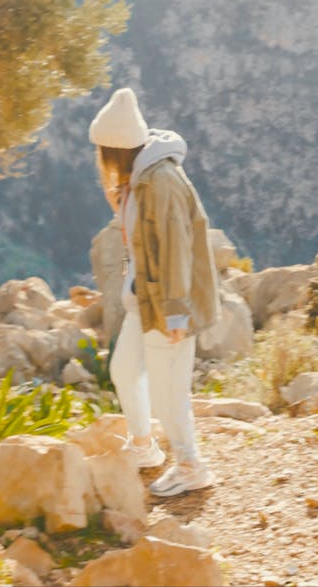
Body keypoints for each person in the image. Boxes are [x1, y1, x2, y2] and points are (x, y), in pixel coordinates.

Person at [89, 87, 221, 496]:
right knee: (125, 371)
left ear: (116, 148)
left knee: (169, 392)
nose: (99, 159)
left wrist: (177, 313)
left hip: (167, 302)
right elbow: (140, 237)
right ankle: (145, 447)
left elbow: (176, 247)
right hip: (143, 300)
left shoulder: (160, 181)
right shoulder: (138, 179)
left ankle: (191, 465)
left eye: (102, 150)